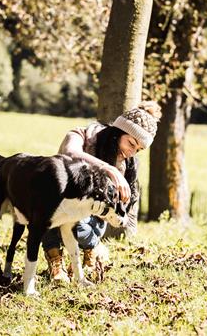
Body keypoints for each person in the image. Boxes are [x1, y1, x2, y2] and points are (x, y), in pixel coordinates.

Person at [42, 101, 162, 283]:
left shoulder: (126, 164)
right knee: (46, 205)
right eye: (131, 143)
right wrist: (108, 169)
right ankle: (55, 261)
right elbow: (69, 152)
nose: (131, 152)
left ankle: (91, 249)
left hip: (91, 216)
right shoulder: (81, 135)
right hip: (59, 201)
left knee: (81, 226)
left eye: (138, 149)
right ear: (118, 131)